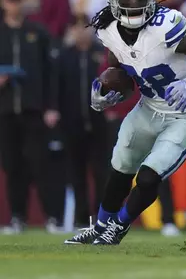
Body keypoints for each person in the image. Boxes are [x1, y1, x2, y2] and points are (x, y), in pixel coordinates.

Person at [64, 0, 186, 245]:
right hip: (147, 107)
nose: (133, 4)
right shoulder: (107, 29)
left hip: (185, 113)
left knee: (148, 177)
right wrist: (105, 94)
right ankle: (101, 226)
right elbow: (123, 76)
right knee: (121, 167)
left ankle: (117, 228)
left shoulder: (167, 26)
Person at [0, 0, 64, 234]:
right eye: (11, 0)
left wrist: (51, 106)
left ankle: (52, 217)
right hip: (5, 109)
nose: (15, 5)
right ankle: (17, 216)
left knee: (40, 164)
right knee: (12, 165)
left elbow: (51, 73)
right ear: (4, 2)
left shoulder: (38, 33)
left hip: (32, 108)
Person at [58, 23, 109, 228]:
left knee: (101, 172)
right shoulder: (64, 56)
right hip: (72, 122)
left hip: (100, 122)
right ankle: (81, 219)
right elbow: (56, 87)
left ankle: (101, 217)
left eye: (85, 27)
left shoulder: (101, 54)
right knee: (76, 173)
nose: (81, 32)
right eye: (77, 27)